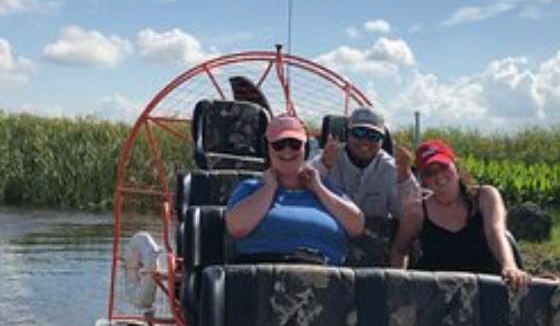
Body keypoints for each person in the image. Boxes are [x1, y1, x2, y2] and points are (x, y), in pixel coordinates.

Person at [390, 139, 530, 290]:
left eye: (444, 167)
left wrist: (509, 266)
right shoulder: (416, 210)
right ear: (423, 179)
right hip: (439, 293)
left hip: (487, 288)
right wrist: (399, 284)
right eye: (430, 172)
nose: (439, 176)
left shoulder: (485, 196)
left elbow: (495, 232)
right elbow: (399, 249)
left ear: (455, 166)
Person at [226, 113, 364, 265]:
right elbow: (236, 227)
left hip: (323, 277)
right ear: (267, 150)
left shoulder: (325, 187)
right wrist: (269, 188)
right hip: (266, 274)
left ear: (306, 149)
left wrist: (318, 189)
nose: (287, 151)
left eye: (294, 144)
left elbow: (356, 226)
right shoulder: (250, 187)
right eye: (279, 145)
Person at [313, 107, 419, 220]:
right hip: (331, 225)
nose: (365, 141)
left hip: (373, 231)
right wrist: (323, 166)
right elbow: (301, 187)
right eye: (359, 132)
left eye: (374, 136)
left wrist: (405, 179)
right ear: (347, 134)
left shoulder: (392, 168)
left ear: (382, 141)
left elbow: (405, 215)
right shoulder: (329, 156)